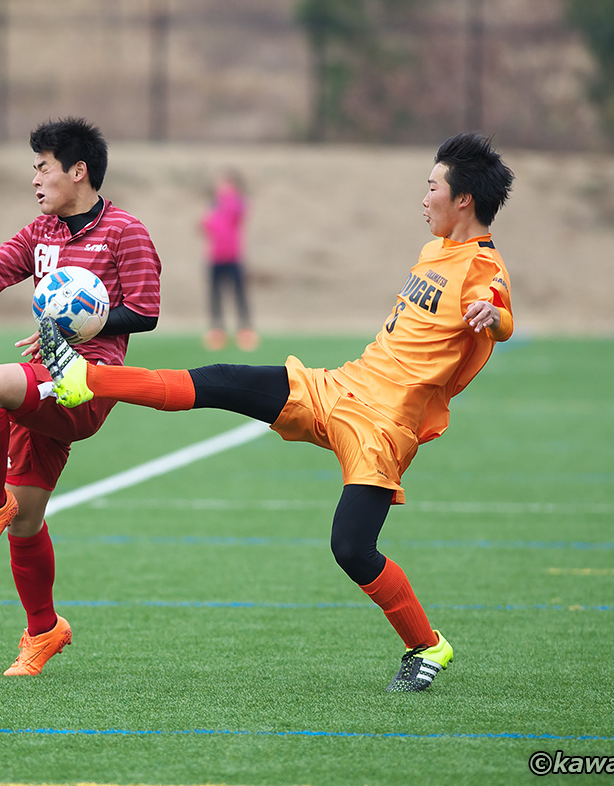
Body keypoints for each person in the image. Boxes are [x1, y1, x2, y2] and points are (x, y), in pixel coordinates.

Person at [39, 132, 514, 692]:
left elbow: (501, 313)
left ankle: (426, 646)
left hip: (383, 424)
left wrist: (491, 314)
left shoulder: (483, 265)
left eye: (432, 186)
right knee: (220, 381)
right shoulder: (434, 249)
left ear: (463, 200)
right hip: (340, 385)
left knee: (351, 549)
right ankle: (82, 378)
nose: (424, 196)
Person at [0, 117, 161, 676]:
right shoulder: (40, 234)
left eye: (43, 168)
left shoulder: (126, 232)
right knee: (27, 523)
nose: (36, 180)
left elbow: (145, 312)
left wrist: (80, 326)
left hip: (86, 383)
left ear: (78, 171)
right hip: (45, 386)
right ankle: (43, 630)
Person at [200, 170, 256, 351]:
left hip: (233, 257)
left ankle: (245, 330)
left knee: (239, 295)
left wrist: (227, 199)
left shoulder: (237, 204)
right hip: (215, 258)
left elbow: (242, 209)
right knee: (215, 296)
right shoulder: (214, 206)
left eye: (224, 185)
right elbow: (205, 226)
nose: (220, 188)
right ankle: (217, 331)